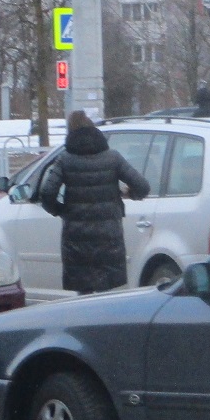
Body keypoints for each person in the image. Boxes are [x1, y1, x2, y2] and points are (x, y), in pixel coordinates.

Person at [40, 110, 151, 294]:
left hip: (76, 241)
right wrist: (129, 194)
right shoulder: (113, 158)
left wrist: (62, 211)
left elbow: (47, 193)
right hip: (109, 240)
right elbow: (143, 187)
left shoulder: (65, 160)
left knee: (82, 298)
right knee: (107, 295)